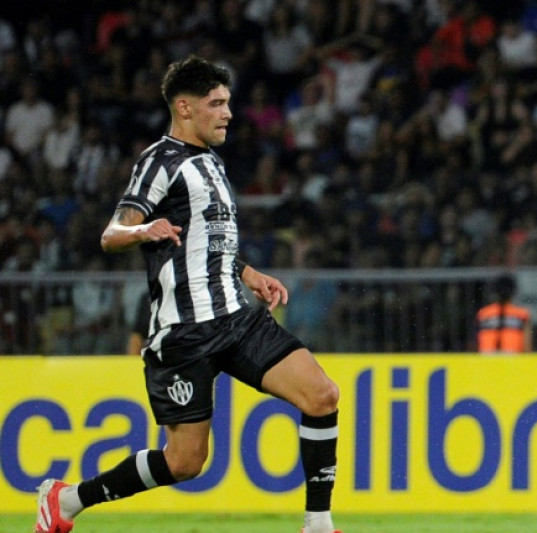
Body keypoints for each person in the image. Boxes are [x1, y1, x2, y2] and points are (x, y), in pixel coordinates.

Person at [35, 56, 342, 533]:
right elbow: (112, 233)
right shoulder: (160, 160)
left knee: (322, 395)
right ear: (184, 107)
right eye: (216, 103)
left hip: (237, 317)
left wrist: (248, 273)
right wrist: (142, 231)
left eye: (228, 103)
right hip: (184, 332)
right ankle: (68, 499)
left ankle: (318, 524)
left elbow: (204, 242)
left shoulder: (211, 163)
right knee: (184, 462)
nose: (227, 113)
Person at [476, 274, 532, 354]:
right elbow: (527, 346)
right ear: (513, 292)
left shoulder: (484, 314)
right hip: (513, 358)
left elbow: (477, 342)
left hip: (487, 358)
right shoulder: (522, 314)